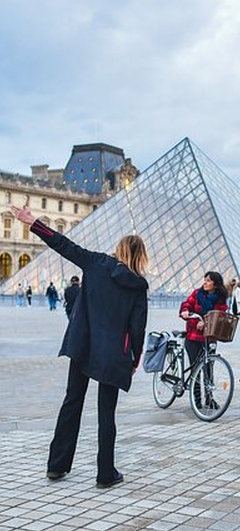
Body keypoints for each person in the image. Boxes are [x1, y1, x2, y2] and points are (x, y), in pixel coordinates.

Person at [11, 204, 148, 489]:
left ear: (119, 249)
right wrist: (134, 359)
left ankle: (57, 465)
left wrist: (33, 222)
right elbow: (138, 328)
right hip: (113, 353)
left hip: (83, 345)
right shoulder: (138, 285)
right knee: (106, 413)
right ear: (140, 257)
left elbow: (63, 244)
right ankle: (105, 474)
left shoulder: (96, 262)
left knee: (72, 401)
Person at [179, 272, 228, 408]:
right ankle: (196, 400)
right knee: (196, 369)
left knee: (209, 368)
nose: (205, 283)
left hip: (209, 337)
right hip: (193, 337)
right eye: (205, 280)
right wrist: (185, 311)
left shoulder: (220, 300)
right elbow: (186, 305)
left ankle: (209, 398)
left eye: (208, 280)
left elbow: (220, 316)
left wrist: (206, 323)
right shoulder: (197, 294)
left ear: (215, 284)